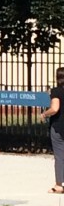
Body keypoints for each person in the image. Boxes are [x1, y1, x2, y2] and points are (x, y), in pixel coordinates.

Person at [40, 66, 64, 194]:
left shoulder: (56, 91)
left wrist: (44, 114)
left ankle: (59, 185)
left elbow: (55, 108)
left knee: (60, 155)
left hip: (59, 126)